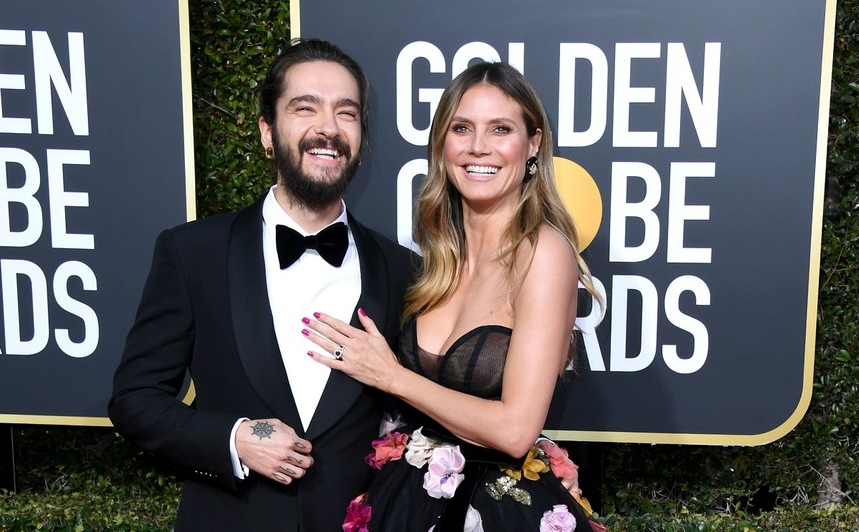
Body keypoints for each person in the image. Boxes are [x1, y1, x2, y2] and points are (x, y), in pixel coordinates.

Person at [108, 39, 415, 531]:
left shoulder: (401, 270)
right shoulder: (193, 253)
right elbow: (135, 399)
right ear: (267, 133)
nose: (328, 128)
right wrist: (233, 438)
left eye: (347, 112)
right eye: (304, 108)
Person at [303, 61, 603, 531]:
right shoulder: (439, 255)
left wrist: (392, 376)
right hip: (409, 498)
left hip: (498, 510)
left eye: (500, 129)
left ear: (534, 144)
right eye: (461, 128)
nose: (478, 147)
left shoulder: (542, 253)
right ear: (443, 144)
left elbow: (515, 429)